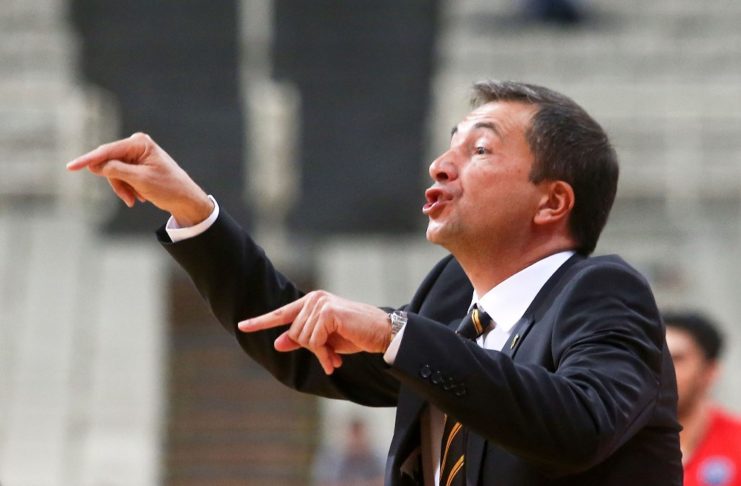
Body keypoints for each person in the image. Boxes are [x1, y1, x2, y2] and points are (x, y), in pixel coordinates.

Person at [67, 80, 682, 485]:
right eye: (449, 146)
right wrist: (193, 210)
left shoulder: (602, 291)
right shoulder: (450, 299)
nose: (441, 165)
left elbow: (580, 425)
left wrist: (395, 333)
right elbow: (298, 344)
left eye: (481, 151)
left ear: (552, 202)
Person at [664, 311, 741, 486]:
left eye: (677, 359)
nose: (663, 369)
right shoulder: (617, 444)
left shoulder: (737, 443)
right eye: (655, 358)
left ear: (710, 371)